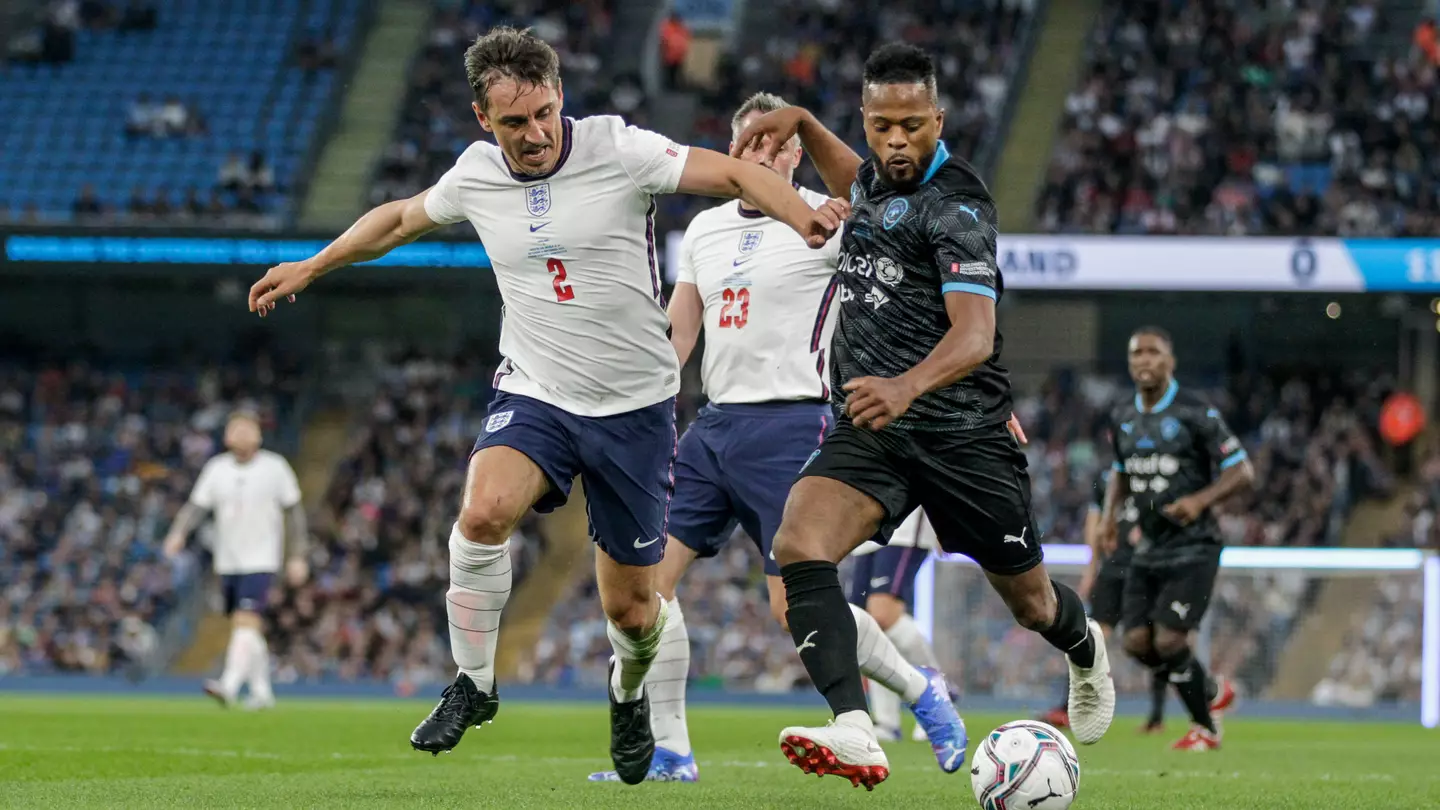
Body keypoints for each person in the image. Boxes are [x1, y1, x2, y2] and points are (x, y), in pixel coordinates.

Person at [245, 27, 844, 785]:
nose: (533, 135)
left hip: (634, 409)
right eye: (513, 123)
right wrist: (313, 264)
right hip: (536, 389)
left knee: (632, 612)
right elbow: (397, 219)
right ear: (481, 119)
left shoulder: (619, 149)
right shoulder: (474, 175)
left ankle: (628, 692)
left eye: (544, 115)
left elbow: (729, 174)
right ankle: (473, 683)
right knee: (484, 511)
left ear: (561, 98)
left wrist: (799, 214)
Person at [731, 43, 1116, 788]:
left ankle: (1085, 647)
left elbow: (973, 335)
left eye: (912, 125)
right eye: (881, 126)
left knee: (1032, 605)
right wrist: (806, 123)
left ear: (938, 119)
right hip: (875, 433)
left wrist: (906, 387)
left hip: (962, 436)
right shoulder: (877, 176)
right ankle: (853, 727)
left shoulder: (961, 207)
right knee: (800, 544)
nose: (896, 141)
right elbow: (861, 183)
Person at [585, 92, 964, 784]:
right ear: (733, 150)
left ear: (794, 152)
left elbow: (907, 293)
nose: (762, 153)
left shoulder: (830, 218)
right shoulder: (702, 230)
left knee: (793, 603)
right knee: (645, 590)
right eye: (748, 143)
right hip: (712, 429)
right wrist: (629, 409)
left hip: (794, 423)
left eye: (774, 144)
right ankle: (672, 752)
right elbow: (681, 329)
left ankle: (918, 689)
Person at [1101, 326, 1249, 752]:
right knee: (1135, 642)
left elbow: (1243, 471)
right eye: (1137, 354)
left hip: (1194, 545)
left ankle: (1207, 729)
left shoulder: (1195, 412)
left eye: (1154, 352)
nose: (1144, 360)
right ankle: (1210, 690)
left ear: (1171, 361)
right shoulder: (1122, 415)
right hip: (1148, 545)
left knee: (1169, 640)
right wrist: (1109, 519)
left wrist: (1200, 500)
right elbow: (1121, 471)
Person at [163, 412, 309, 710]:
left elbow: (294, 513)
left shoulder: (275, 467)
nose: (241, 434)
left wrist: (297, 555)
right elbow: (196, 507)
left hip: (262, 559)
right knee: (247, 628)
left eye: (247, 428)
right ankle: (261, 692)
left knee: (246, 621)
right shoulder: (216, 469)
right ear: (227, 436)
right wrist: (177, 533)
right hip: (227, 562)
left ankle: (228, 686)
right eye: (235, 429)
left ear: (259, 434)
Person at [1039, 465, 1170, 733]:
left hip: (1146, 569)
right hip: (1112, 570)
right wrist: (1091, 570)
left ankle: (1158, 716)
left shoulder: (1160, 468)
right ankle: (1067, 707)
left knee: (1153, 640)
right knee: (1090, 636)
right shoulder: (1108, 476)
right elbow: (1094, 522)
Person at [846, 508, 945, 743]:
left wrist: (946, 523)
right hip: (866, 530)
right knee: (865, 626)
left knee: (882, 615)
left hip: (903, 524)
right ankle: (887, 721)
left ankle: (939, 698)